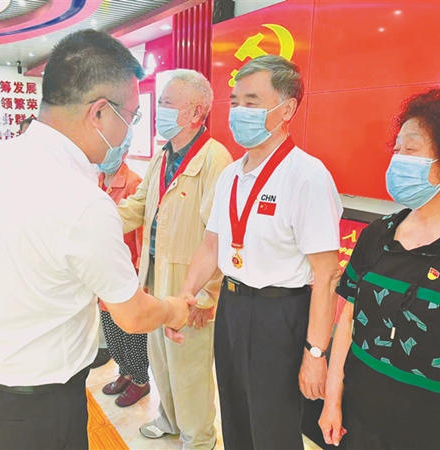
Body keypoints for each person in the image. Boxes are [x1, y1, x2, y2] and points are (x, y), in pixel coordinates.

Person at [0, 29, 192, 450]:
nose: (129, 132)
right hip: (39, 404)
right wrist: (175, 308)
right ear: (99, 112)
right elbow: (133, 316)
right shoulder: (81, 200)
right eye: (132, 117)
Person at [178, 55, 343, 449]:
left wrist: (315, 352)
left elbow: (326, 276)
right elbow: (212, 244)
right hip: (232, 308)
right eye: (235, 102)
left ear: (286, 109)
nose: (239, 111)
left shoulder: (307, 176)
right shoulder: (230, 174)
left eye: (252, 102)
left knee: (273, 427)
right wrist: (185, 295)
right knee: (234, 416)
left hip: (280, 315)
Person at [319, 86, 440, 449]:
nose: (398, 160)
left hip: (437, 429)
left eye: (411, 149)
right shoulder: (378, 234)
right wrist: (332, 399)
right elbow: (348, 317)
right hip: (362, 417)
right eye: (396, 149)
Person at [118, 69, 232, 449]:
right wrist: (99, 221)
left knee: (190, 368)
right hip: (154, 277)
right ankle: (168, 420)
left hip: (189, 287)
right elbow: (139, 205)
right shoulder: (162, 154)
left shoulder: (215, 160)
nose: (159, 111)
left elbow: (220, 237)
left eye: (167, 103)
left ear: (196, 112)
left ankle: (199, 438)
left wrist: (207, 295)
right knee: (162, 360)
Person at [97, 140, 150, 407]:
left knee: (132, 331)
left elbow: (140, 232)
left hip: (126, 272)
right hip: (102, 271)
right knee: (112, 330)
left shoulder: (133, 182)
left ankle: (140, 380)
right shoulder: (96, 180)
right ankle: (125, 372)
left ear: (125, 151)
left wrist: (140, 274)